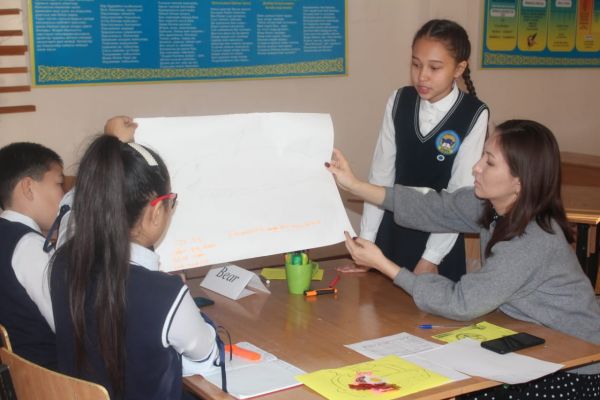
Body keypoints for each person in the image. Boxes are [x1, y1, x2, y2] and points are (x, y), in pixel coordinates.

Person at [327, 119, 600, 397]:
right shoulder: (492, 206)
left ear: (520, 181)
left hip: (576, 366)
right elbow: (431, 207)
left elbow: (461, 303)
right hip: (531, 342)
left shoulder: (531, 240)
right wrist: (355, 185)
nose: (476, 167)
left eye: (489, 162)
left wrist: (384, 265)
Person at [50, 134, 219, 399]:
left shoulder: (62, 263)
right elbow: (208, 358)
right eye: (170, 202)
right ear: (155, 211)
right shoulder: (164, 294)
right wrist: (183, 304)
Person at [356, 19, 489, 282]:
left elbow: (459, 195)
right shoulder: (399, 100)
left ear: (459, 68)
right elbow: (380, 176)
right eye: (416, 64)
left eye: (434, 68)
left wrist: (431, 258)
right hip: (392, 233)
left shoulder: (473, 114)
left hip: (440, 241)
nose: (422, 76)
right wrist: (366, 242)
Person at [0, 142, 64, 369]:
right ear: (28, 187)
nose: (64, 195)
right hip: (51, 377)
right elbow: (68, 325)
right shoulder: (30, 246)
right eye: (59, 184)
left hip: (17, 376)